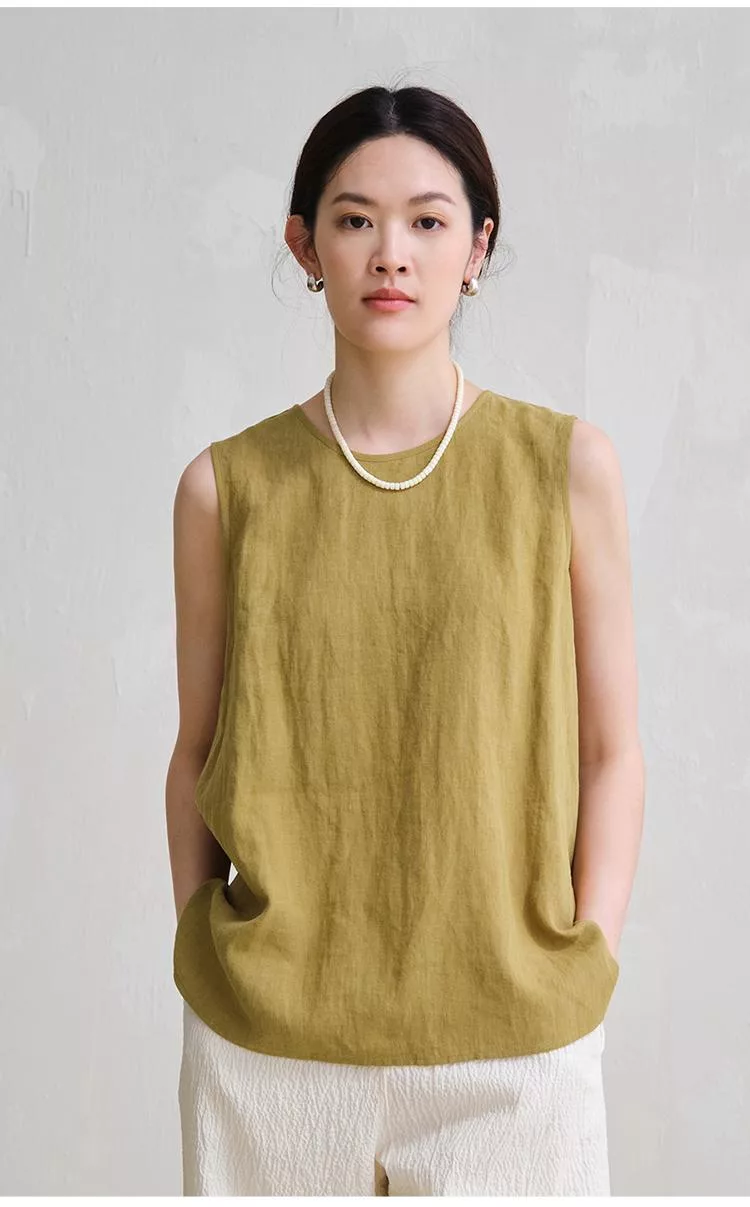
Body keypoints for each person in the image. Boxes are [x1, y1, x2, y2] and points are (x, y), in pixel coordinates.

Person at [166, 82, 644, 1197]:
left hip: (516, 1045)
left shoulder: (565, 467)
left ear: (477, 249)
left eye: (428, 220)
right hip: (268, 1056)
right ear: (305, 246)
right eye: (355, 219)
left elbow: (612, 748)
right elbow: (197, 749)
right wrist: (202, 947)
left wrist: (589, 957)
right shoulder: (225, 489)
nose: (392, 252)